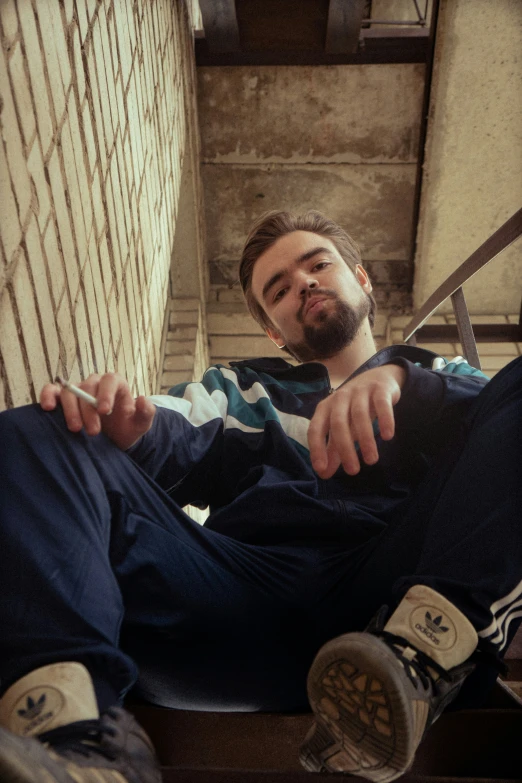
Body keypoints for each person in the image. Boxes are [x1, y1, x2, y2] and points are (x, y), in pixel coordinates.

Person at [0, 210, 520, 783]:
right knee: (37, 428)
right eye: (279, 290)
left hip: (399, 593)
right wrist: (125, 424)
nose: (303, 284)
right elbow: (172, 430)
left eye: (317, 265)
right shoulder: (240, 389)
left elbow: (498, 446)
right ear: (276, 331)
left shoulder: (443, 374)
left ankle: (424, 657)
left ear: (362, 278)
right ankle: (73, 742)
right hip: (242, 601)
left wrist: (402, 379)